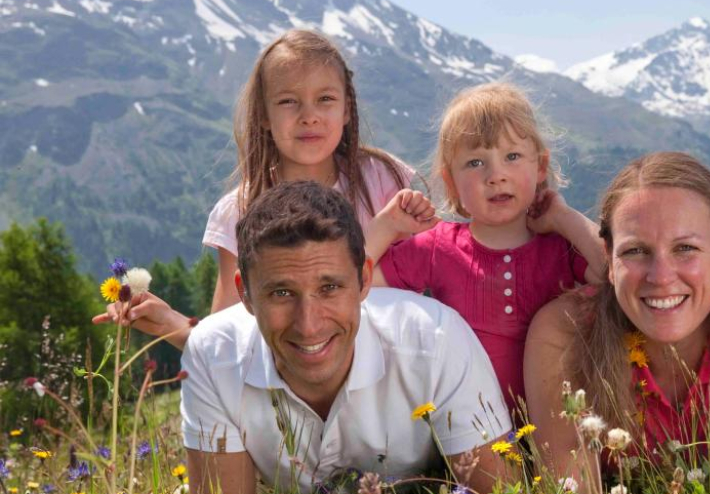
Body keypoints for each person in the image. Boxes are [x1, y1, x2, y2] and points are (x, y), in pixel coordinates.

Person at [92, 30, 431, 346]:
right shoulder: (239, 210)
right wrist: (171, 324)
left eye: (325, 98)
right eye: (288, 101)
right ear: (264, 115)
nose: (309, 116)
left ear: (347, 109)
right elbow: (228, 338)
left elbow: (436, 276)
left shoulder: (382, 180)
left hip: (393, 374)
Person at [177, 181, 510, 494]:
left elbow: (499, 489)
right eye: (281, 292)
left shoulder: (436, 340)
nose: (308, 325)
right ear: (245, 294)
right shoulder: (212, 355)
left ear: (364, 279)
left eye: (330, 288)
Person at [523, 151, 710, 487]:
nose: (660, 276)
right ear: (609, 262)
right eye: (635, 251)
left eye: (685, 248)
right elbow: (571, 485)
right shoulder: (565, 333)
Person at [365, 82, 604, 410]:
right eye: (476, 163)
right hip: (468, 429)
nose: (496, 175)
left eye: (513, 156)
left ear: (541, 167)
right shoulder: (438, 247)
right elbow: (352, 283)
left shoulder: (560, 246)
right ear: (451, 181)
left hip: (554, 425)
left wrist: (564, 217)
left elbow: (613, 271)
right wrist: (386, 226)